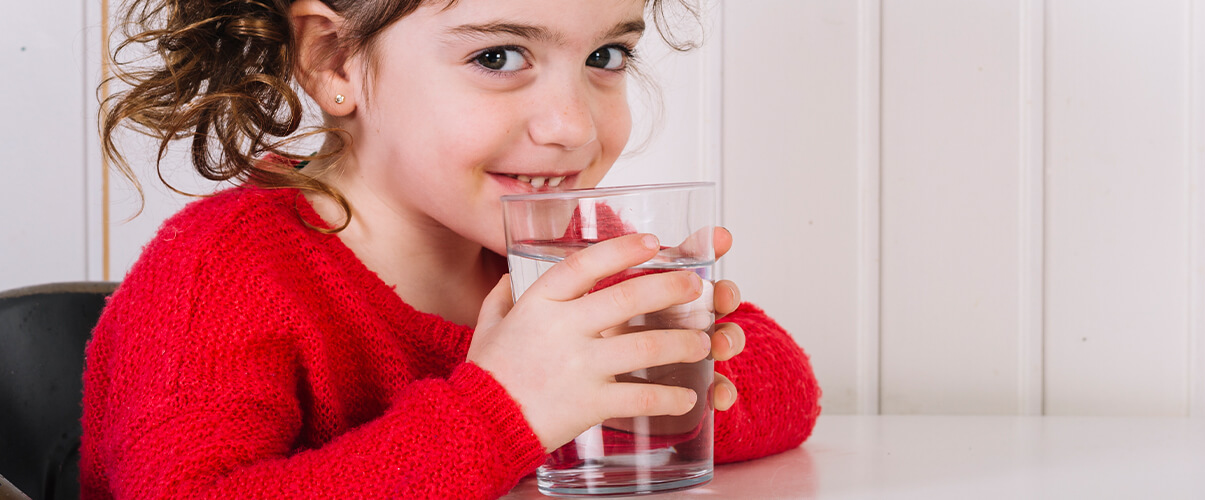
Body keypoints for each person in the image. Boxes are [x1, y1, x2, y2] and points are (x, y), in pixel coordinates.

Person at [80, 0, 821, 497]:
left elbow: (787, 387)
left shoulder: (559, 248)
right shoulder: (223, 270)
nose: (571, 125)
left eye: (606, 55)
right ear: (335, 60)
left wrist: (650, 376)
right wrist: (507, 413)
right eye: (499, 57)